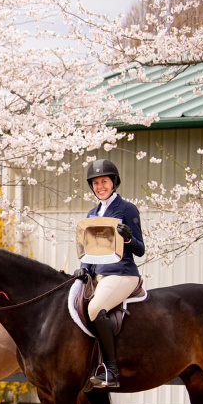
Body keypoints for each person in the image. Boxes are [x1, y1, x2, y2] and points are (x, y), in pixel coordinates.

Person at [79, 158, 145, 388]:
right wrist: (84, 270)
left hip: (122, 274)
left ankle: (112, 370)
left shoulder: (127, 209)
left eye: (104, 181)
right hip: (97, 276)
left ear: (114, 182)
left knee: (95, 308)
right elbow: (89, 250)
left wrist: (128, 237)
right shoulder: (91, 214)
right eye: (96, 183)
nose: (100, 187)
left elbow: (140, 250)